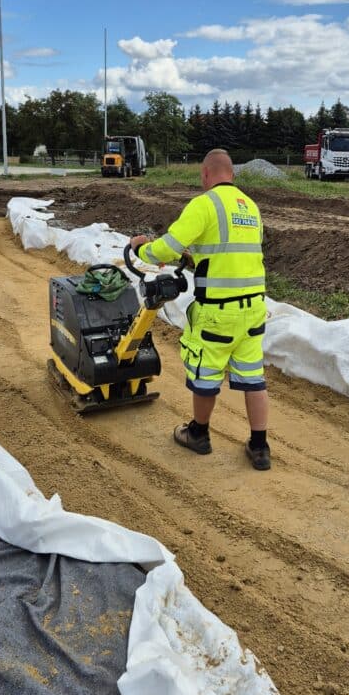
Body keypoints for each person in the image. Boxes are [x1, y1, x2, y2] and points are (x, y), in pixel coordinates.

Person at [130, 149, 271, 471]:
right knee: (253, 379)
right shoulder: (250, 207)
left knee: (206, 373)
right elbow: (234, 251)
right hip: (254, 309)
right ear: (231, 174)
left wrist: (141, 248)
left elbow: (167, 247)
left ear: (206, 174)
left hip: (218, 313)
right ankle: (260, 447)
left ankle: (198, 433)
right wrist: (199, 259)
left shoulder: (204, 204)